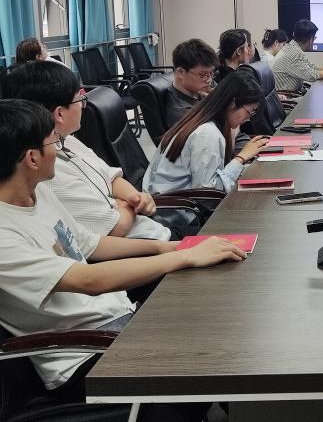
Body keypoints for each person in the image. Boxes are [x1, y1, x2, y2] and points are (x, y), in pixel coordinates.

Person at [0, 99, 245, 419]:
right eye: (53, 142)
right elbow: (88, 280)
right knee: (210, 357)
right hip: (83, 355)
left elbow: (88, 243)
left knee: (220, 325)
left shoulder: (38, 191)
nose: (59, 149)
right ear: (32, 158)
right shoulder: (5, 234)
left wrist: (165, 248)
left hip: (117, 320)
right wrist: (184, 258)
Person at [2, 61, 172, 240]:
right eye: (80, 100)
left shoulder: (67, 140)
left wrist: (135, 197)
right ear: (60, 114)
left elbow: (111, 178)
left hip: (149, 227)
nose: (83, 106)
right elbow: (116, 227)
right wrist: (128, 205)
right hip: (137, 245)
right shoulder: (46, 171)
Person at [144, 72, 269, 194]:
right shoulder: (207, 134)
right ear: (232, 102)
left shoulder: (203, 119)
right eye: (249, 112)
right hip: (176, 205)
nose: (248, 119)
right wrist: (241, 158)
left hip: (176, 198)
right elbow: (208, 193)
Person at [272, 19, 323, 93]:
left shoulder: (292, 48)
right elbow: (312, 76)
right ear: (311, 40)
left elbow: (311, 67)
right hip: (287, 97)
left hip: (291, 93)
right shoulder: (294, 53)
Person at [166, 38, 218, 127]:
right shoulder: (181, 112)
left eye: (211, 73)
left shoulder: (200, 88)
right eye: (202, 75)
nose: (209, 80)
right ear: (181, 73)